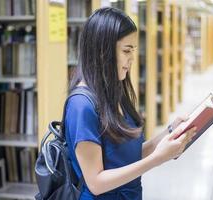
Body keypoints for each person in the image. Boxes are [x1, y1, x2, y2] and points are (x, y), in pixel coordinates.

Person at [65, 7, 197, 200]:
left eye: (133, 50)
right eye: (127, 50)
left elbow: (126, 157)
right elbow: (96, 182)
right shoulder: (81, 106)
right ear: (103, 51)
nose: (132, 59)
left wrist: (170, 133)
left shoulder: (114, 93)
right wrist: (157, 159)